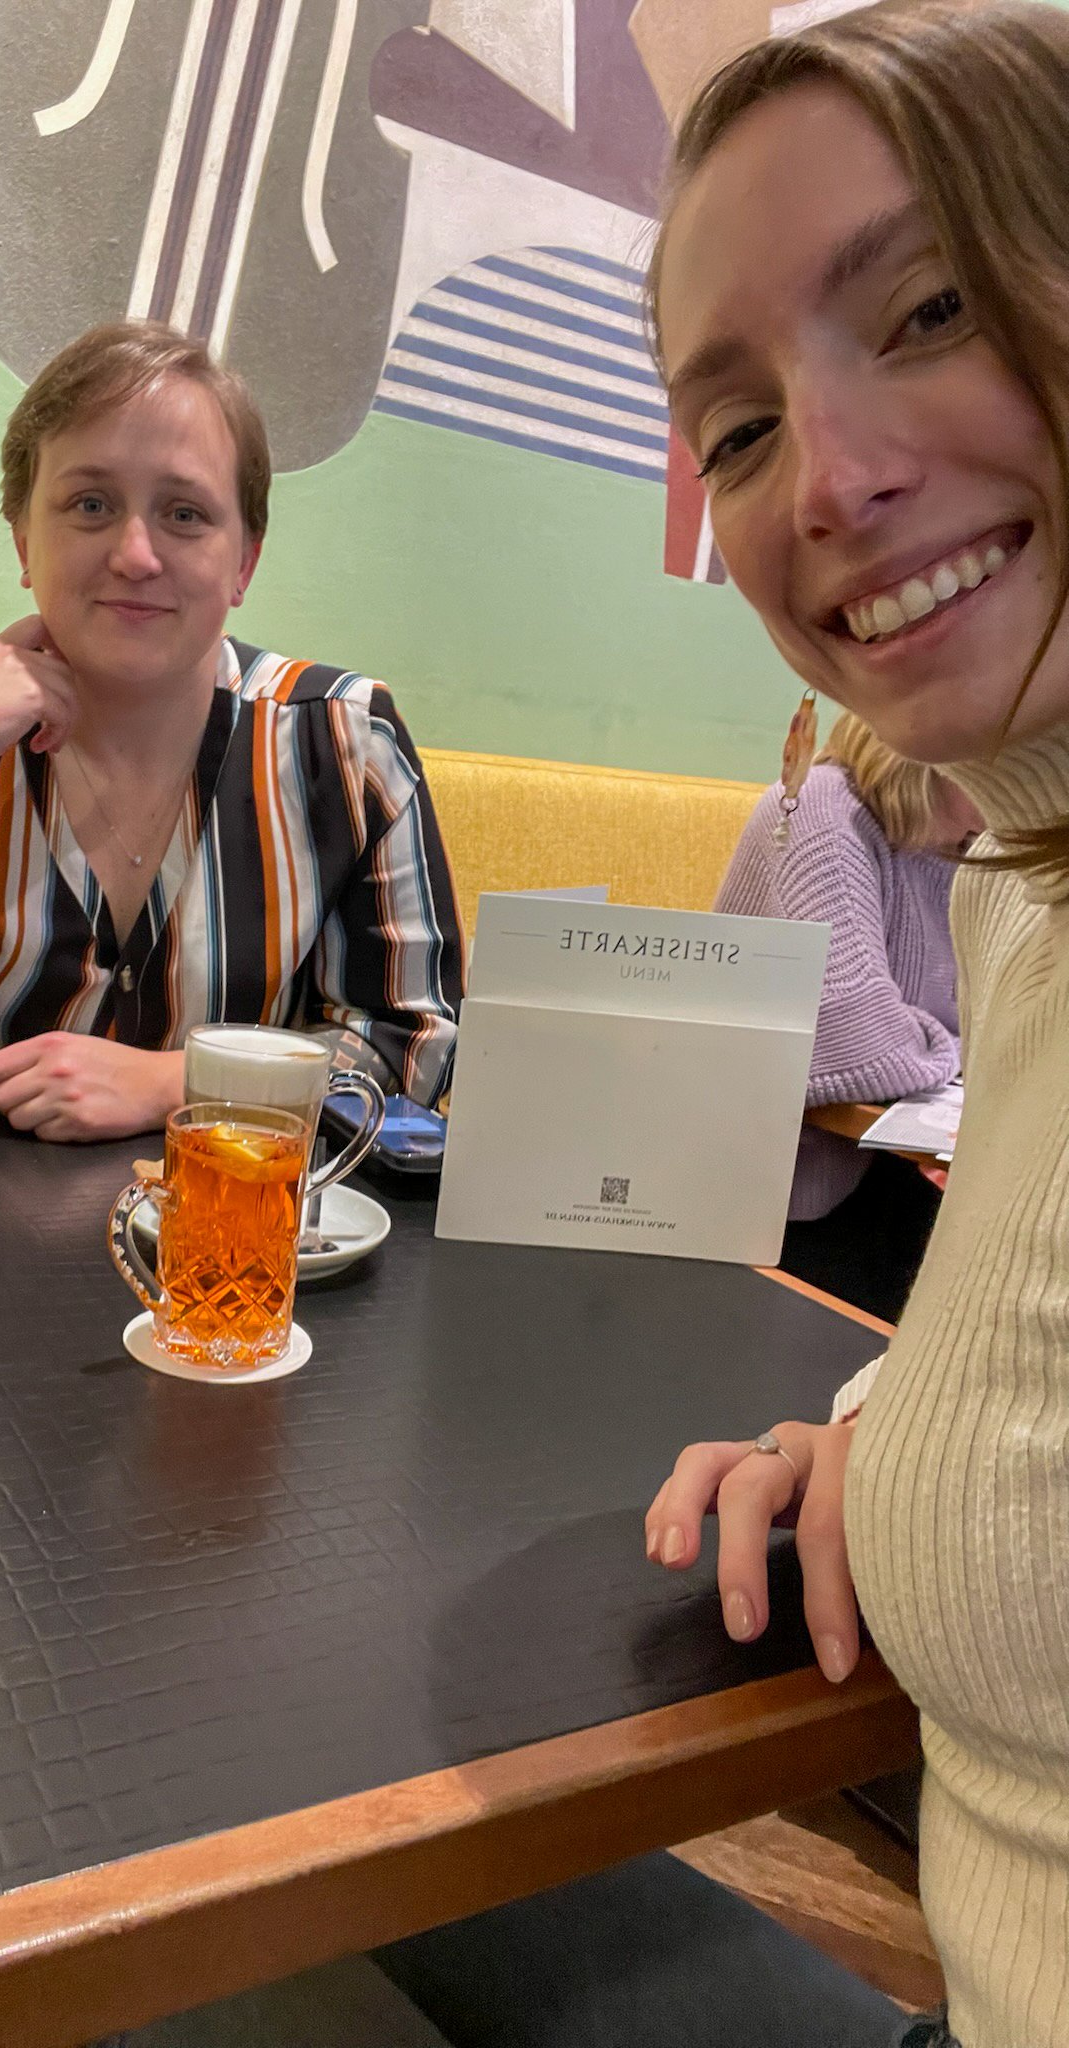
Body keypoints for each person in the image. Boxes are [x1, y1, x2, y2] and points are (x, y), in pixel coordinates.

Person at [625, 5, 1069, 2045]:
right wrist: (897, 1437)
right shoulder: (1018, 883)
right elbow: (873, 1065)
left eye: (933, 306)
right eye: (734, 429)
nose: (830, 482)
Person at [0, 322, 462, 1139]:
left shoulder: (345, 747)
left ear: (244, 562)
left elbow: (410, 1048)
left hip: (219, 1212)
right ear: (25, 540)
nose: (136, 554)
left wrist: (179, 1082)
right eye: (90, 505)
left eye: (185, 513)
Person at [716, 711, 979, 1321]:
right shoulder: (820, 808)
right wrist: (966, 1051)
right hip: (789, 1201)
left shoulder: (978, 847)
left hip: (897, 1175)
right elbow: (860, 1038)